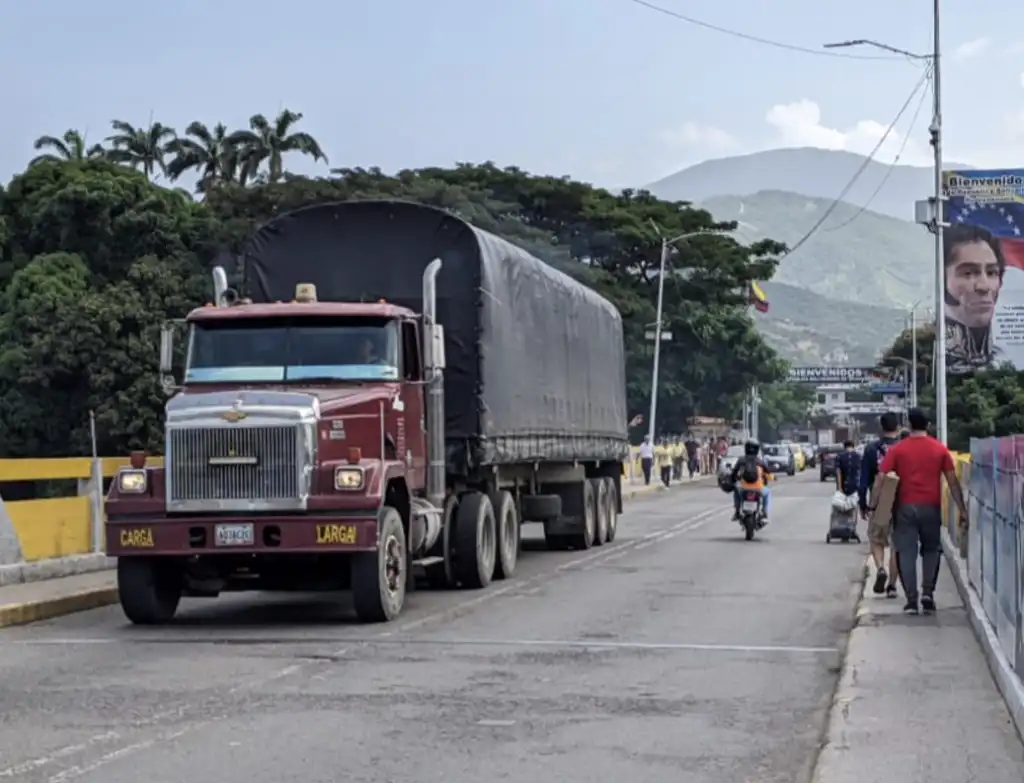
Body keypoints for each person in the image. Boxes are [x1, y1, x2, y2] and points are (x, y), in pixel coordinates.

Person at [871, 407, 968, 616]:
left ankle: (912, 601)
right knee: (931, 550)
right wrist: (963, 510)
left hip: (904, 508)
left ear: (908, 425)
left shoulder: (897, 450)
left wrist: (874, 505)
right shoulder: (939, 449)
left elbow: (880, 478)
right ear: (929, 425)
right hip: (931, 507)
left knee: (906, 552)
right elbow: (952, 481)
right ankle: (928, 594)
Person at [943, 223, 1005, 371]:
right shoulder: (927, 357)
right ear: (941, 279)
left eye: (992, 273)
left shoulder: (1005, 360)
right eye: (968, 273)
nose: (983, 286)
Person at [859, 412, 901, 599]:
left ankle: (881, 568)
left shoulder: (871, 449)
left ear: (881, 428)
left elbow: (864, 481)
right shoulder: (904, 448)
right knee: (896, 545)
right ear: (898, 427)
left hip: (879, 502)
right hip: (901, 502)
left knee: (876, 539)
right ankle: (892, 585)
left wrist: (864, 504)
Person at [729, 439, 773, 523]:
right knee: (767, 493)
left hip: (744, 488)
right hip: (758, 488)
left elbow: (734, 473)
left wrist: (732, 480)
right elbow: (769, 473)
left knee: (736, 491)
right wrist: (773, 478)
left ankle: (737, 512)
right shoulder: (760, 461)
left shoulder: (741, 460)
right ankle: (764, 512)